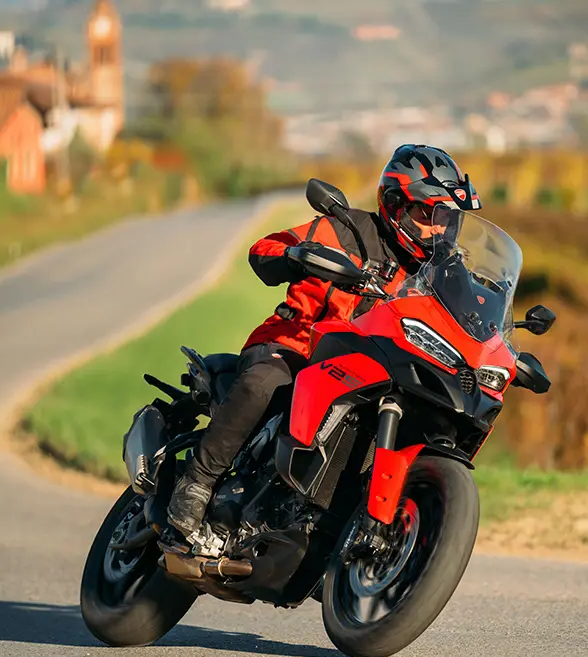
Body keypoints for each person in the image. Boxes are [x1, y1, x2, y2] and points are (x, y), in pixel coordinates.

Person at [166, 144, 483, 539]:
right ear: (395, 203)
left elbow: (473, 320)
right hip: (296, 347)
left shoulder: (441, 275)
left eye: (448, 219)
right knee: (265, 383)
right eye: (429, 214)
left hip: (371, 371)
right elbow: (264, 249)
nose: (439, 228)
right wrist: (298, 255)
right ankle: (196, 483)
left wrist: (501, 347)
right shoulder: (346, 228)